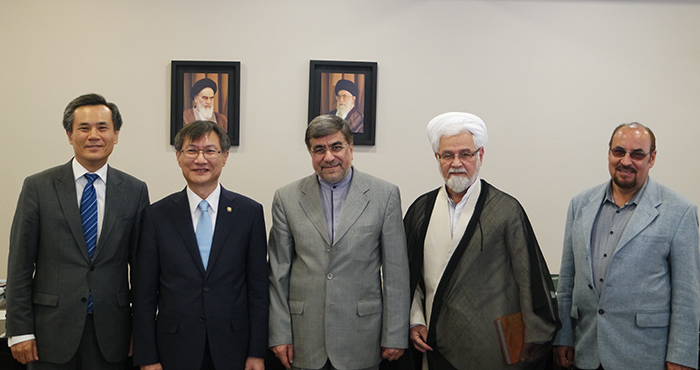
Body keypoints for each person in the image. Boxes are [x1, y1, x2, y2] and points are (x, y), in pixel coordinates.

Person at [403, 112, 558, 370]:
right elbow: (409, 277)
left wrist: (535, 337)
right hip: (433, 342)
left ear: (480, 155)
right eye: (448, 155)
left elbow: (528, 278)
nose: (457, 162)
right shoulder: (421, 210)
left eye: (466, 154)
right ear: (437, 158)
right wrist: (415, 320)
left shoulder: (505, 211)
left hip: (491, 348)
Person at [5, 93, 150, 369]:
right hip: (49, 334)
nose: (93, 135)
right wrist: (20, 330)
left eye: (102, 127)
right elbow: (20, 265)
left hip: (112, 335)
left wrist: (141, 330)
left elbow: (142, 270)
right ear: (70, 135)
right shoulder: (38, 187)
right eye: (84, 128)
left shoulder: (134, 190)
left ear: (116, 134)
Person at [553, 123, 700, 370]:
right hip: (586, 350)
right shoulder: (580, 205)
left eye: (637, 154)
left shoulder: (680, 212)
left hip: (645, 356)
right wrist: (563, 336)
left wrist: (681, 356)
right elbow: (568, 280)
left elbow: (688, 294)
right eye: (618, 151)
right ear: (609, 153)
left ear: (652, 158)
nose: (626, 161)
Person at [268, 115, 409, 370]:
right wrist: (279, 334)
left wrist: (395, 334)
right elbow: (277, 273)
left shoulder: (384, 195)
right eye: (319, 149)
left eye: (336, 147)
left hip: (362, 336)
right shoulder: (286, 198)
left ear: (351, 148)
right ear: (310, 153)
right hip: (304, 339)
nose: (328, 157)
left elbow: (396, 272)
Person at [132, 120, 268, 370]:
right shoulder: (156, 216)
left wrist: (257, 353)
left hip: (234, 348)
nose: (200, 159)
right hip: (174, 349)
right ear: (178, 156)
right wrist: (147, 357)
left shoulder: (249, 213)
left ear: (225, 156)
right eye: (191, 150)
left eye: (210, 151)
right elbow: (144, 295)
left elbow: (258, 291)